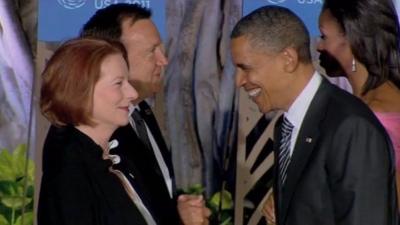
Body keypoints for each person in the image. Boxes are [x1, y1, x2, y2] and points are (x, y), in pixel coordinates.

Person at [231, 5, 398, 225]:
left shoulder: (351, 127)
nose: (239, 81)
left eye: (246, 68)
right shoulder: (286, 127)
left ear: (288, 59)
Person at [80, 3, 209, 225]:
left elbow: (151, 199)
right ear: (113, 57)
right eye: (152, 51)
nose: (164, 60)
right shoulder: (92, 131)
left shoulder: (142, 112)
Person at [37, 38, 155, 224]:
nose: (132, 93)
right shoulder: (69, 176)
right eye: (118, 83)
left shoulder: (118, 156)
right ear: (81, 90)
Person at [317, 0, 400, 206]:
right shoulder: (368, 104)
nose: (318, 46)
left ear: (352, 40)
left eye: (324, 36)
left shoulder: (374, 113)